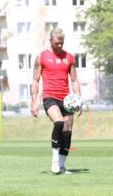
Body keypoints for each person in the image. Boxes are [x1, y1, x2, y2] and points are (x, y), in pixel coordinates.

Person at [30, 28, 82, 174]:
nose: (60, 45)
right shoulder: (42, 57)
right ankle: (54, 161)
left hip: (67, 100)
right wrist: (34, 101)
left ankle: (62, 165)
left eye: (62, 43)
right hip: (49, 97)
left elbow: (74, 80)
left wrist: (78, 99)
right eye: (57, 43)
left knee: (68, 131)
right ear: (51, 40)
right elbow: (35, 80)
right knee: (58, 122)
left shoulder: (69, 58)